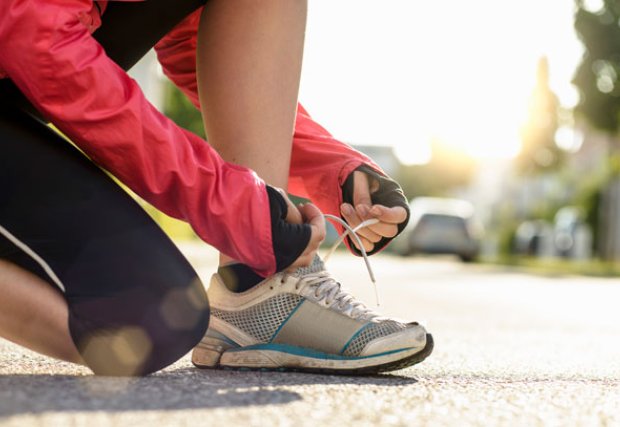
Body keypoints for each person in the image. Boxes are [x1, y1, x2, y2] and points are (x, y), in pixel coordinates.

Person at [0, 0, 433, 376]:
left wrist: (334, 168)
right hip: (31, 47)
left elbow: (199, 47)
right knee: (130, 336)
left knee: (145, 323)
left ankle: (257, 293)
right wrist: (232, 204)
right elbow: (39, 38)